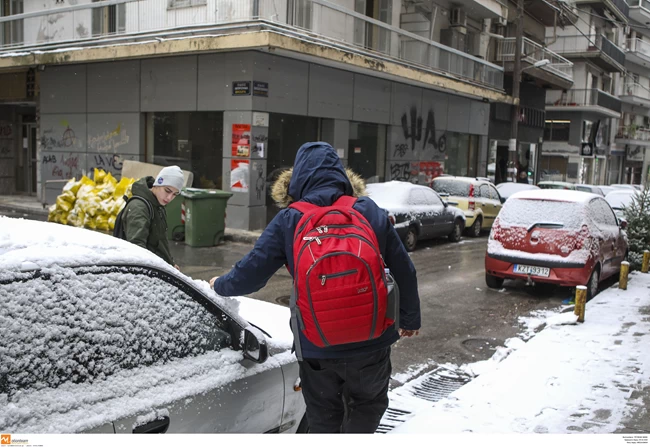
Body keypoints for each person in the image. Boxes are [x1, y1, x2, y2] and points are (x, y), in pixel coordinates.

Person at [209, 142, 421, 433]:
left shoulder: (290, 219)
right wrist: (409, 319)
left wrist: (219, 285)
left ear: (297, 179)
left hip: (317, 344)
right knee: (367, 406)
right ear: (342, 175)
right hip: (372, 340)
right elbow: (404, 271)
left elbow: (251, 274)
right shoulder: (369, 211)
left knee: (323, 415)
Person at [123, 165, 182, 269]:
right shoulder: (139, 207)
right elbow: (136, 250)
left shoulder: (158, 205)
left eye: (174, 194)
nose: (169, 198)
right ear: (158, 183)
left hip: (157, 271)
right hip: (147, 275)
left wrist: (169, 263)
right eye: (167, 191)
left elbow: (159, 242)